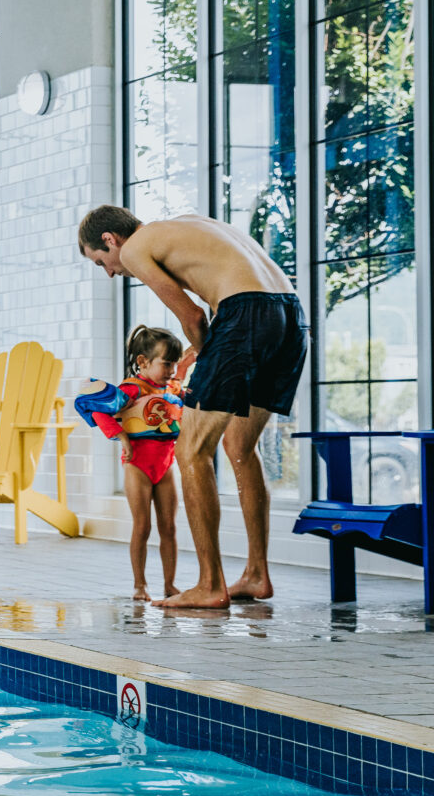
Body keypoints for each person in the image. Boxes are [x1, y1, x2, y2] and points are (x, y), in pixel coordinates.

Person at [77, 205, 308, 609]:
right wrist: (210, 359)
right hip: (290, 315)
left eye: (102, 261)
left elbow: (193, 315)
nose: (111, 272)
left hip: (245, 311)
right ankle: (256, 575)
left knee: (190, 450)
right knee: (239, 447)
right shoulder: (191, 224)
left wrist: (205, 357)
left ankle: (210, 584)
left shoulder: (134, 249)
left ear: (111, 240)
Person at [77, 325, 186, 602]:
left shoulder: (171, 388)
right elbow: (97, 409)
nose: (172, 369)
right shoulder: (131, 389)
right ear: (143, 362)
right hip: (137, 463)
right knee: (142, 526)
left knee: (169, 527)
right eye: (167, 363)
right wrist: (121, 436)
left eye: (174, 363)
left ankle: (170, 585)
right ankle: (140, 585)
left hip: (165, 464)